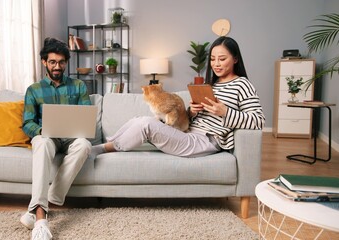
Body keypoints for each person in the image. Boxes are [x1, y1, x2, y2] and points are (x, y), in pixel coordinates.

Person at [90, 36, 265, 158]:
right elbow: (192, 118)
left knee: (146, 124)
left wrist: (225, 111)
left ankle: (100, 149)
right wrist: (193, 112)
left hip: (205, 141)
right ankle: (109, 142)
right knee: (141, 118)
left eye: (222, 59)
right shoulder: (212, 84)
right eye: (212, 59)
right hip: (187, 132)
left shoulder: (242, 84)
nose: (216, 64)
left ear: (235, 59)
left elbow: (258, 120)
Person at [20, 37, 92, 240]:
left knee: (85, 145)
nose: (57, 66)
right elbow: (27, 123)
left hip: (71, 137)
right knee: (41, 144)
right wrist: (43, 130)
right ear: (44, 62)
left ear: (66, 63)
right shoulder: (33, 90)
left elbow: (86, 116)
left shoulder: (79, 86)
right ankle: (41, 220)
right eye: (52, 62)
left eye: (61, 62)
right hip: (47, 137)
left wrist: (79, 128)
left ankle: (47, 201)